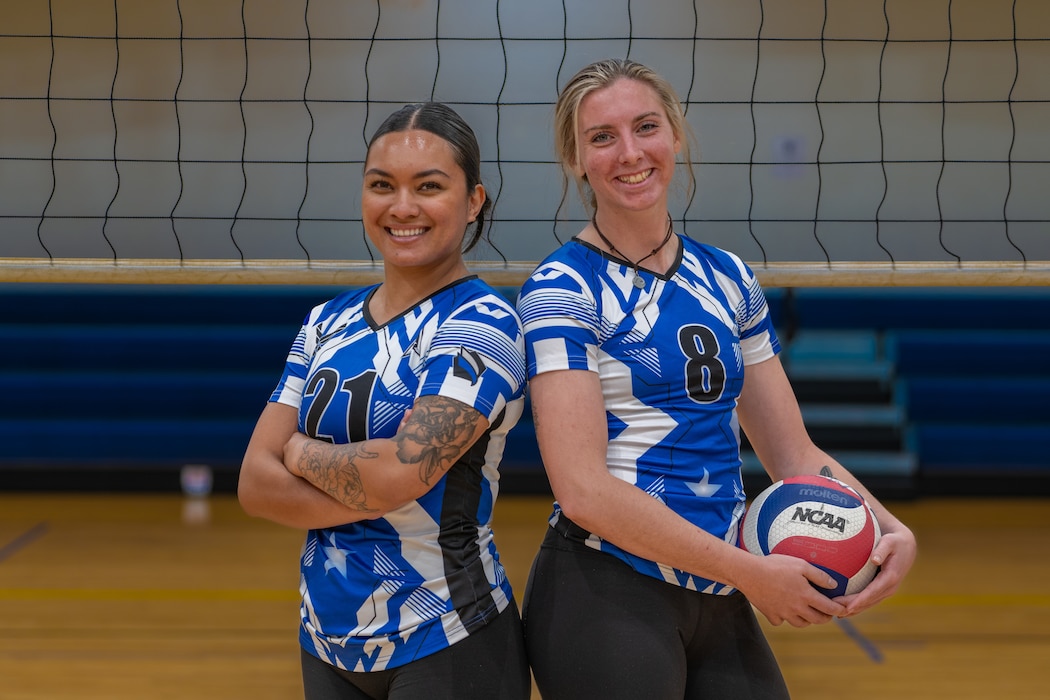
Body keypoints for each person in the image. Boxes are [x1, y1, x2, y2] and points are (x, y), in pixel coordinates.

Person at [516, 58, 917, 699]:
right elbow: (584, 491)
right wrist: (752, 573)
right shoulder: (562, 289)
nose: (629, 152)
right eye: (601, 137)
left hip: (719, 588)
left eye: (646, 127)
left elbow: (794, 454)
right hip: (607, 586)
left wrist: (892, 528)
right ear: (576, 160)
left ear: (675, 136)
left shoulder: (726, 276)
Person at [238, 102, 531, 700]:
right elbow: (253, 485)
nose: (402, 207)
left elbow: (402, 473)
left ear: (474, 201)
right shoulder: (327, 321)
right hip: (325, 638)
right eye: (382, 186)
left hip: (448, 631)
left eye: (429, 186)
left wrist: (295, 451)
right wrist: (377, 482)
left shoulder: (483, 326)